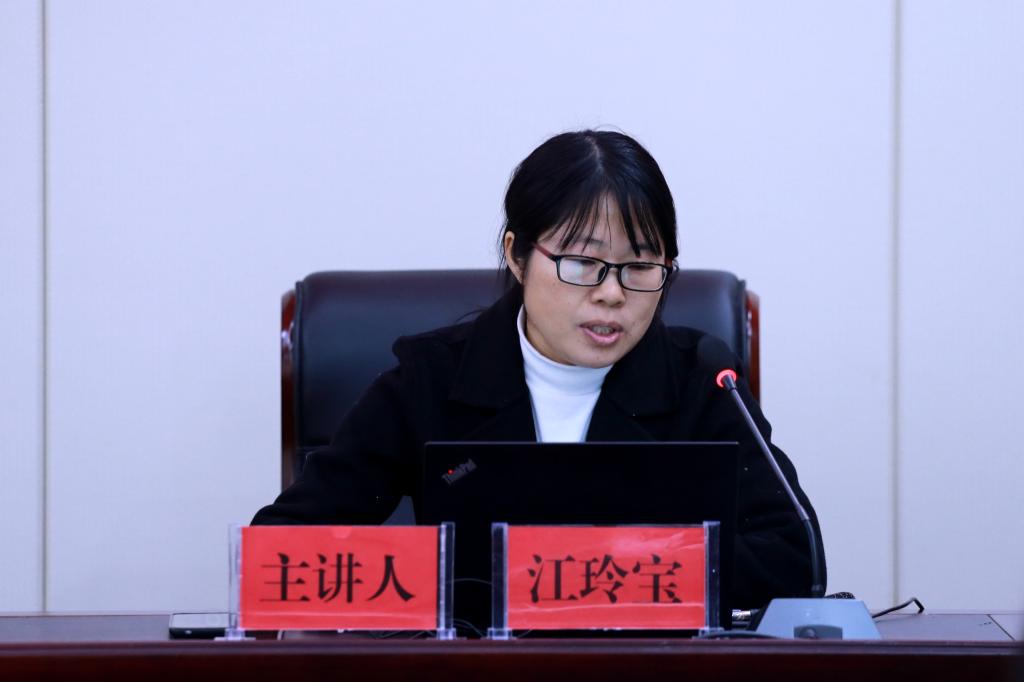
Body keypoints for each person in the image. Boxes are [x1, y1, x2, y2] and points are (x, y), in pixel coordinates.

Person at [252, 129, 826, 628]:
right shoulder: (430, 379)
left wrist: (593, 572)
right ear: (517, 255)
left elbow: (794, 557)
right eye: (582, 263)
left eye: (640, 266)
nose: (611, 293)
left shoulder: (703, 381)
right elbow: (281, 551)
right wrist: (448, 581)